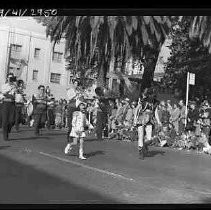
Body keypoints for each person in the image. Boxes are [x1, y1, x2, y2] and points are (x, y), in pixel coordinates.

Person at [1, 73, 17, 140]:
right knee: (5, 121)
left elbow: (15, 95)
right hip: (5, 104)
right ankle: (5, 135)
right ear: (7, 78)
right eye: (9, 77)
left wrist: (15, 88)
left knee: (12, 120)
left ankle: (8, 130)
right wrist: (10, 90)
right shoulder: (4, 86)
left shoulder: (15, 86)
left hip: (12, 104)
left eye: (11, 78)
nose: (10, 79)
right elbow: (3, 94)